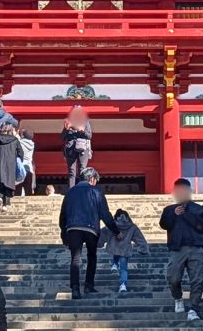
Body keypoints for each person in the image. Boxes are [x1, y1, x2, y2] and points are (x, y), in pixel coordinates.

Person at [58, 167, 119, 299]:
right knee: (92, 256)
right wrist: (116, 230)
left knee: (75, 258)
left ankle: (75, 288)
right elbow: (105, 214)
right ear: (92, 179)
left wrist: (64, 233)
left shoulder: (70, 192)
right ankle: (88, 285)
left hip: (72, 228)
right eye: (96, 180)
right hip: (91, 228)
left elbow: (63, 214)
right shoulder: (96, 191)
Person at [160, 178, 203, 322]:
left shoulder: (199, 209)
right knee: (173, 277)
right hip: (177, 248)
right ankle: (178, 298)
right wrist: (174, 214)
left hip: (196, 247)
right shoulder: (169, 210)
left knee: (198, 279)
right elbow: (164, 225)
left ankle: (193, 308)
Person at [99, 208, 150, 293]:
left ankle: (114, 264)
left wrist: (98, 243)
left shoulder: (112, 225)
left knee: (116, 252)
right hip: (125, 249)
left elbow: (103, 233)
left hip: (114, 247)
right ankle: (123, 285)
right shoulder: (132, 227)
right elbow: (139, 238)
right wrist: (143, 248)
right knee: (124, 268)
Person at [0, 123, 24, 212]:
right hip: (9, 165)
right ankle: (4, 205)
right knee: (7, 183)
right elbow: (21, 153)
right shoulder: (14, 140)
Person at [61, 106, 93, 189]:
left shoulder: (85, 122)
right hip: (70, 148)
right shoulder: (68, 122)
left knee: (82, 170)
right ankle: (71, 191)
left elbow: (89, 135)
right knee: (72, 171)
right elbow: (62, 137)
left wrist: (80, 130)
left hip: (82, 148)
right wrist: (66, 129)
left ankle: (82, 189)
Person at [17, 129, 36, 196]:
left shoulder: (20, 142)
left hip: (20, 167)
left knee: (18, 187)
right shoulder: (32, 144)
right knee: (28, 188)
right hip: (29, 167)